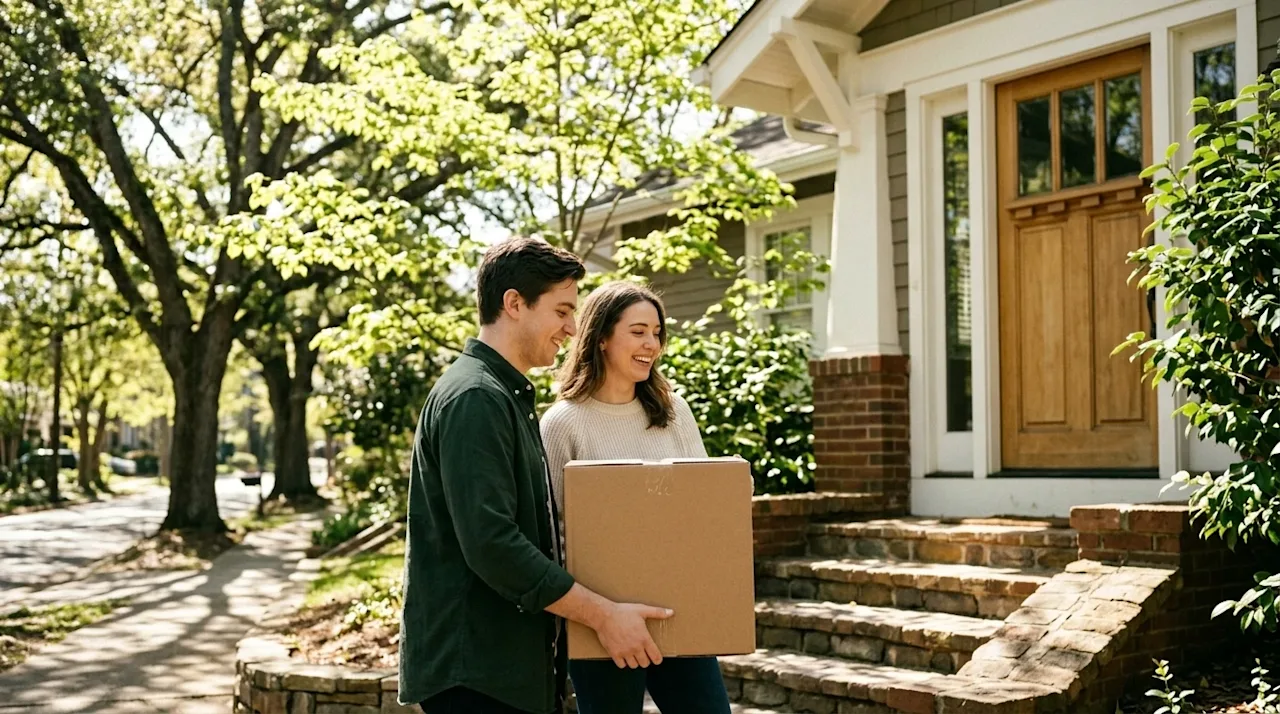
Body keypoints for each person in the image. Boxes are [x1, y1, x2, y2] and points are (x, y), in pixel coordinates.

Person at [398, 239, 675, 714]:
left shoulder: (504, 396)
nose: (571, 329)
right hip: (477, 673)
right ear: (514, 304)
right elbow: (493, 544)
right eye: (562, 311)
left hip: (501, 669)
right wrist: (604, 615)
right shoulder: (476, 398)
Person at [541, 280, 733, 714]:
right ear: (602, 337)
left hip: (679, 609)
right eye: (639, 331)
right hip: (603, 620)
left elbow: (707, 504)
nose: (652, 344)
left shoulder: (673, 411)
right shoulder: (562, 424)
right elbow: (551, 534)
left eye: (657, 333)